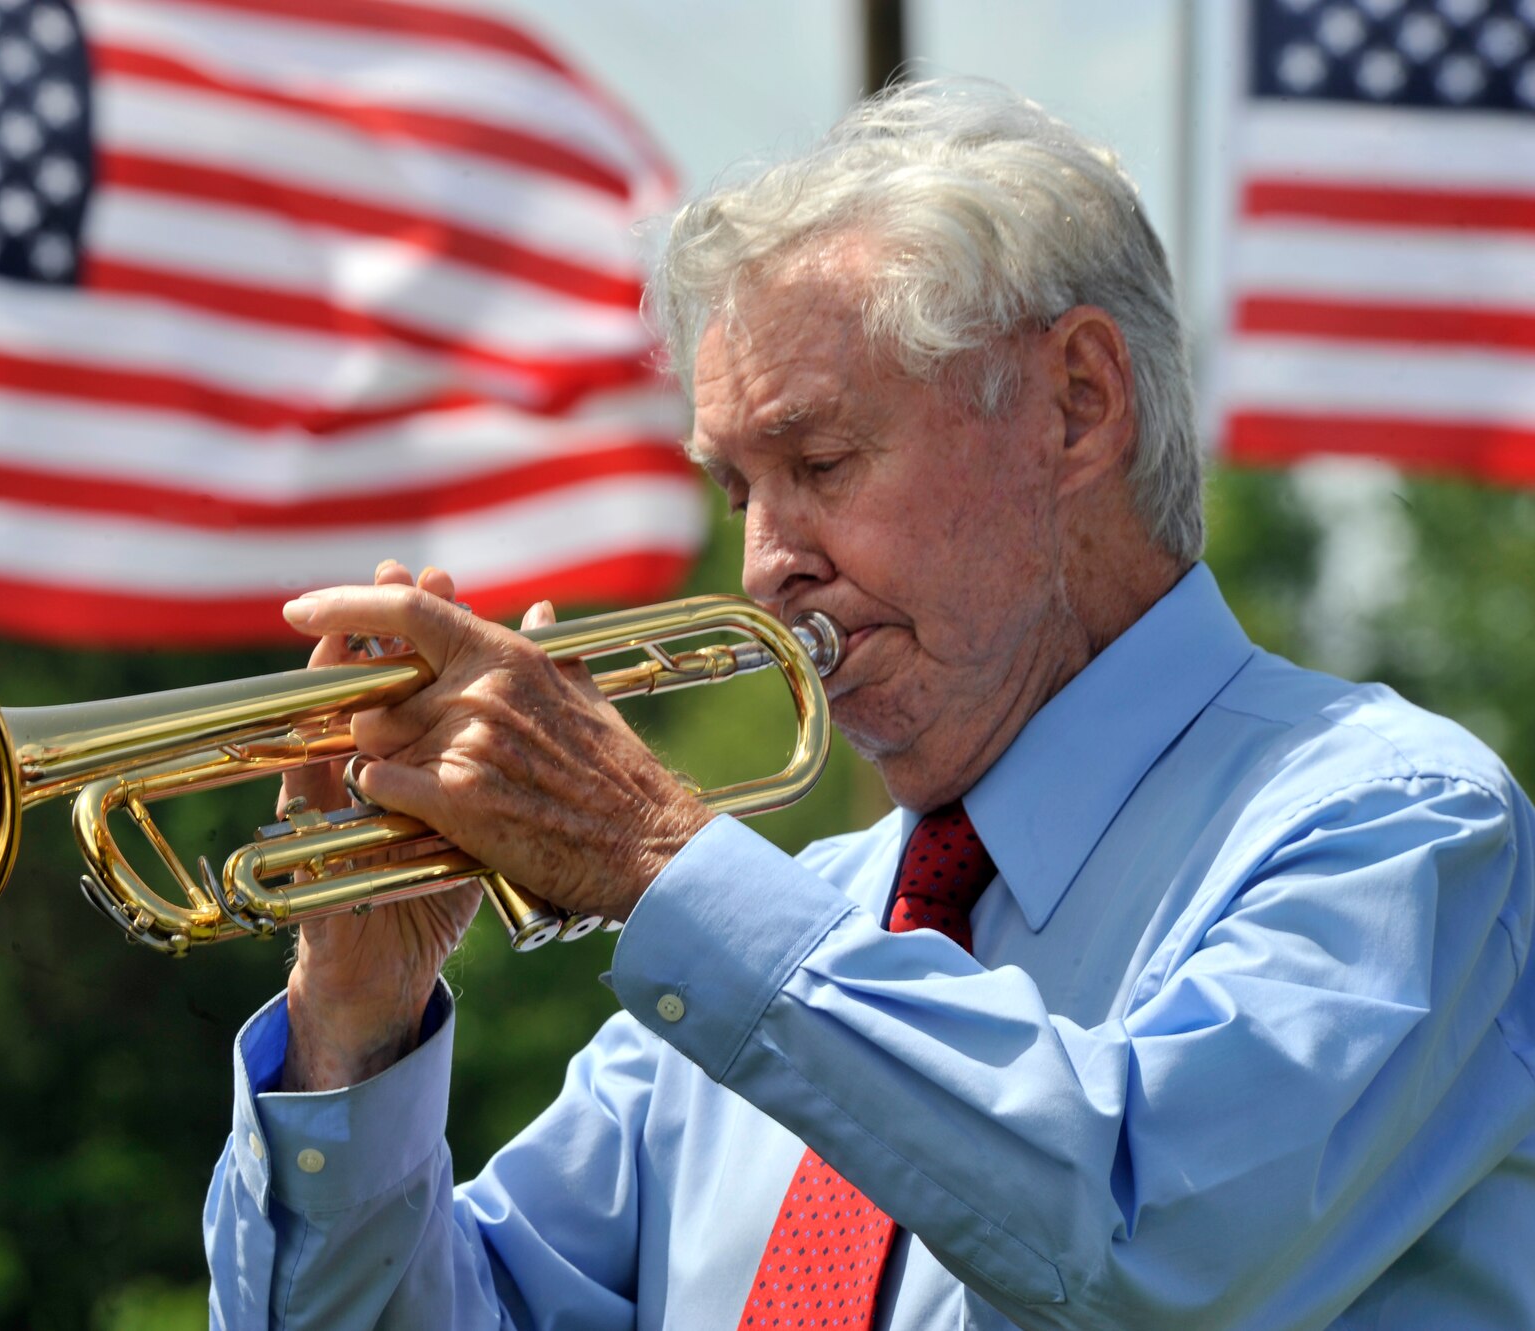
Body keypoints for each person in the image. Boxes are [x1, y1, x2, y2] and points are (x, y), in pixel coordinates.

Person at [203, 79, 1535, 1329]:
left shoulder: (1396, 824)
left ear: (1076, 407)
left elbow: (1151, 1242)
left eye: (821, 461)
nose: (766, 562)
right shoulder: (781, 940)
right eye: (739, 490)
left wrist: (652, 857)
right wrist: (353, 1034)